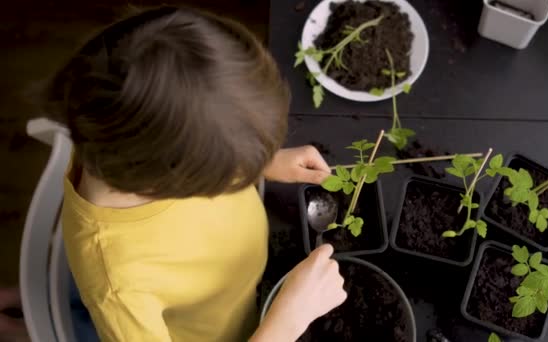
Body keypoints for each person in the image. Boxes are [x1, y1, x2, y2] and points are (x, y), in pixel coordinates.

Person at [41, 6, 346, 342]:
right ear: (173, 178)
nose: (236, 176)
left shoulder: (120, 132)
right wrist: (286, 322)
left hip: (237, 285)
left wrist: (260, 161)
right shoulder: (119, 288)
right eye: (226, 170)